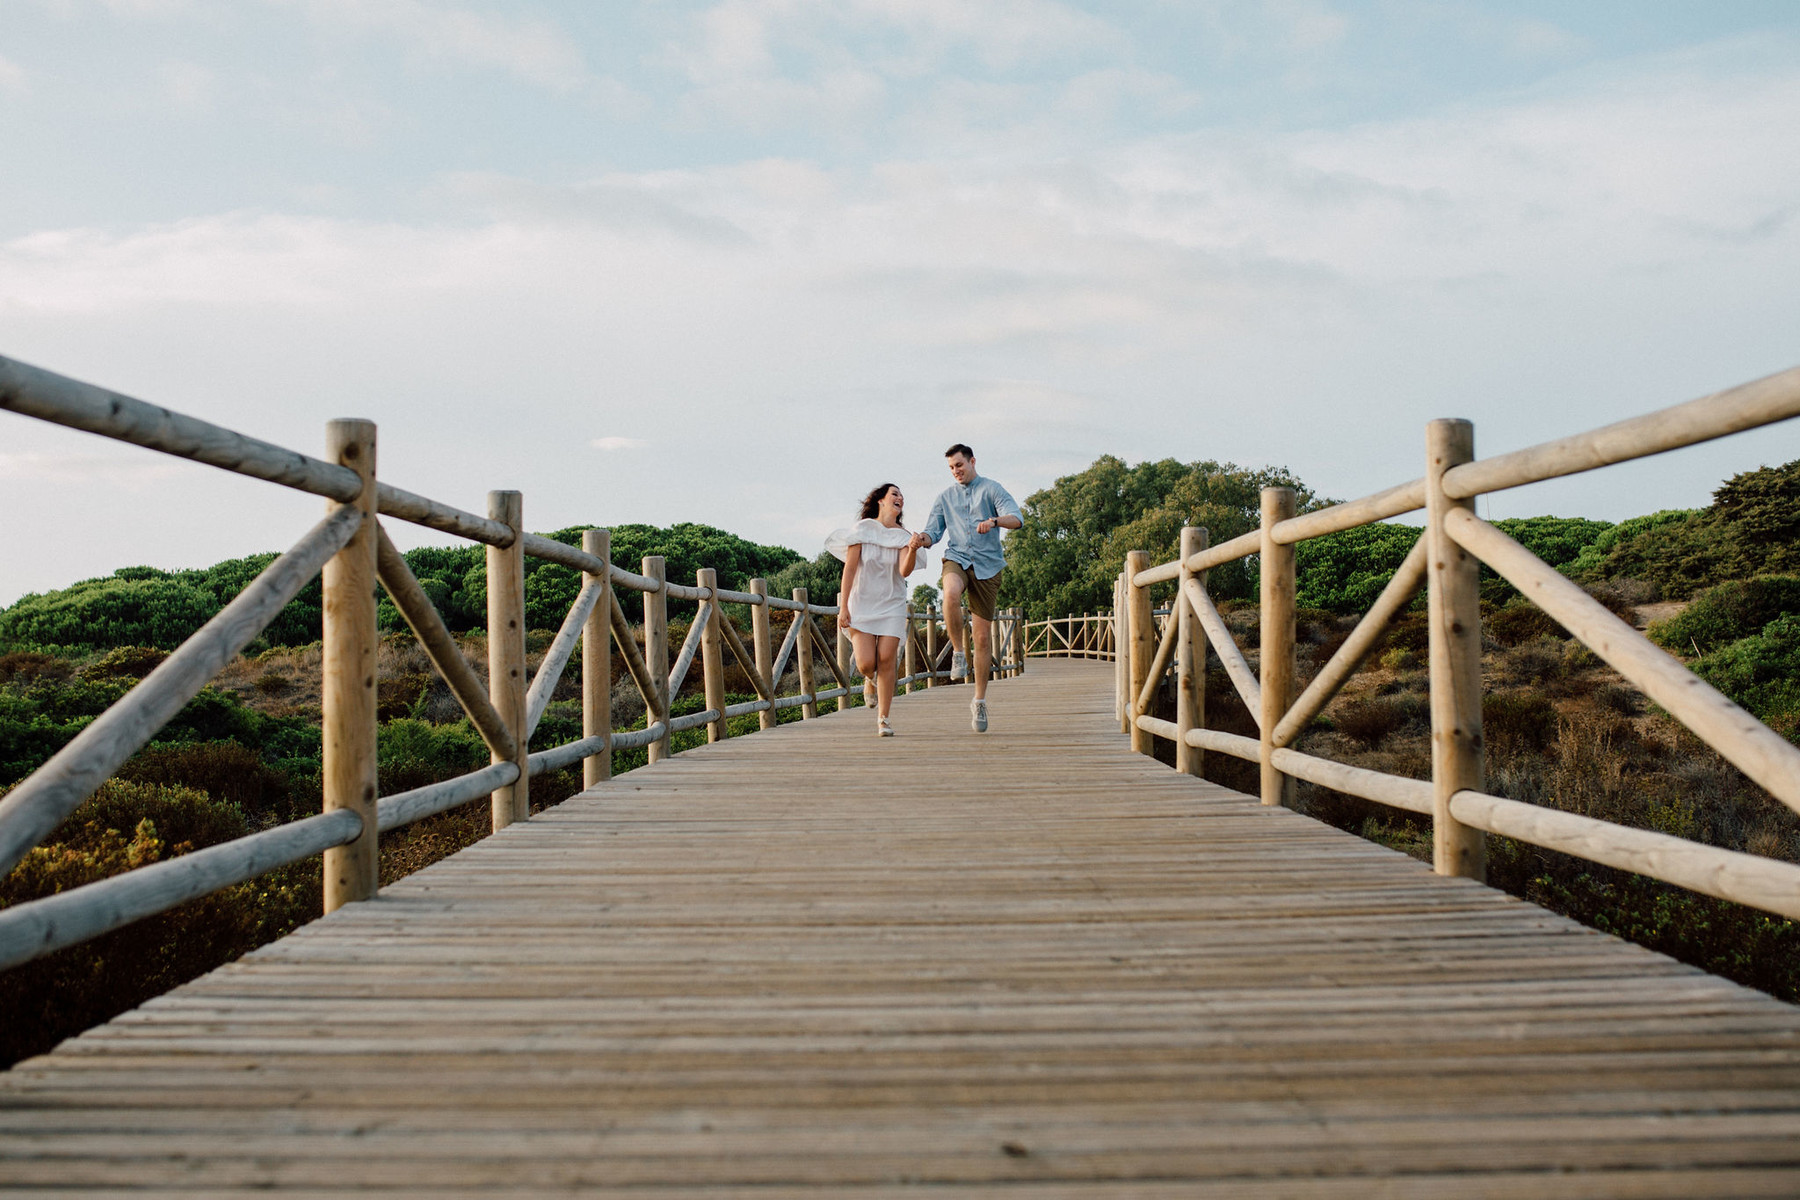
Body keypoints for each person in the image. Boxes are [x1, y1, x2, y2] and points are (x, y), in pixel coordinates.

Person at [911, 444, 1021, 732]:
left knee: (983, 639)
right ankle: (959, 652)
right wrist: (920, 538)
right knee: (949, 593)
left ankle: (980, 700)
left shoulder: (992, 489)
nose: (955, 471)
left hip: (988, 566)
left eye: (959, 465)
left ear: (972, 461)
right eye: (951, 468)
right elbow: (932, 533)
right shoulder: (945, 498)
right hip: (957, 557)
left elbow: (1017, 518)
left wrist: (994, 521)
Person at [826, 483, 923, 737]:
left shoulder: (903, 536)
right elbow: (849, 569)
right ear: (880, 500)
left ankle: (884, 719)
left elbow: (904, 571)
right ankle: (869, 680)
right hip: (862, 603)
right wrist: (843, 606)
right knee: (867, 663)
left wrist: (912, 549)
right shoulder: (862, 530)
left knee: (887, 659)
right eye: (894, 493)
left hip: (892, 604)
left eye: (901, 494)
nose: (900, 497)